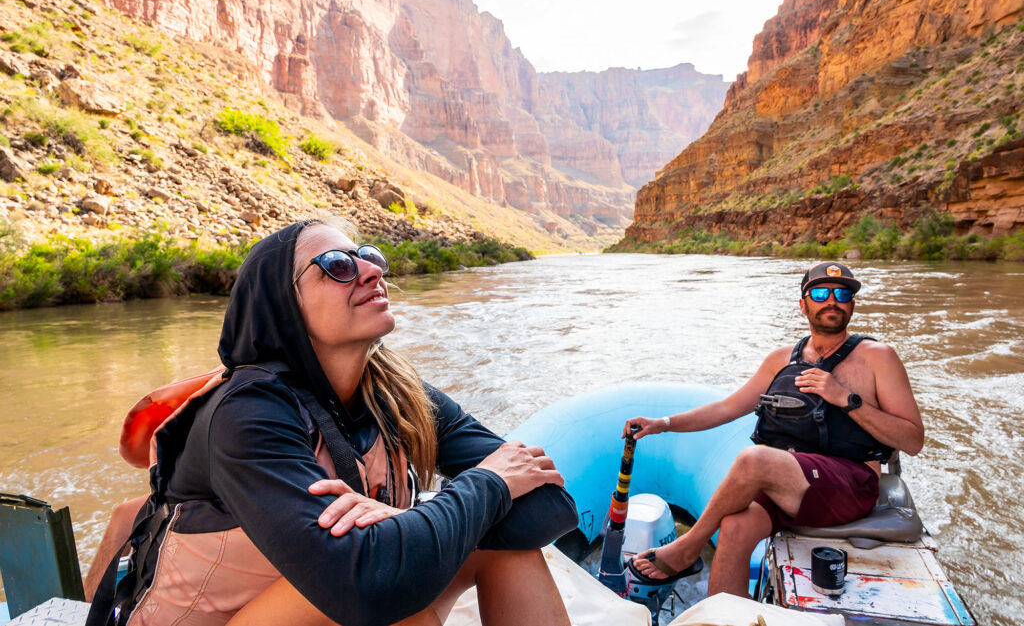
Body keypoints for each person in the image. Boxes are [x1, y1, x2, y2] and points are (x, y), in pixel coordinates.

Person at [92, 218, 577, 626]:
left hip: (316, 598)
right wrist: (486, 486)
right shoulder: (247, 413)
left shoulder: (400, 395)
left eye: (369, 256)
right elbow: (366, 585)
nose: (371, 271)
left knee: (505, 549)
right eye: (339, 267)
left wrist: (404, 526)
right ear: (282, 305)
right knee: (394, 601)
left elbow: (549, 510)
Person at [622, 262, 925, 597]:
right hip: (788, 484)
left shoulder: (878, 357)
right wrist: (661, 424)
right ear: (803, 304)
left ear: (852, 304)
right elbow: (727, 407)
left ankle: (687, 548)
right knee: (735, 527)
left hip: (849, 484)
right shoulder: (782, 359)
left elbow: (912, 440)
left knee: (755, 460)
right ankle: (725, 620)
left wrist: (845, 399)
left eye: (842, 294)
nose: (832, 301)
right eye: (821, 293)